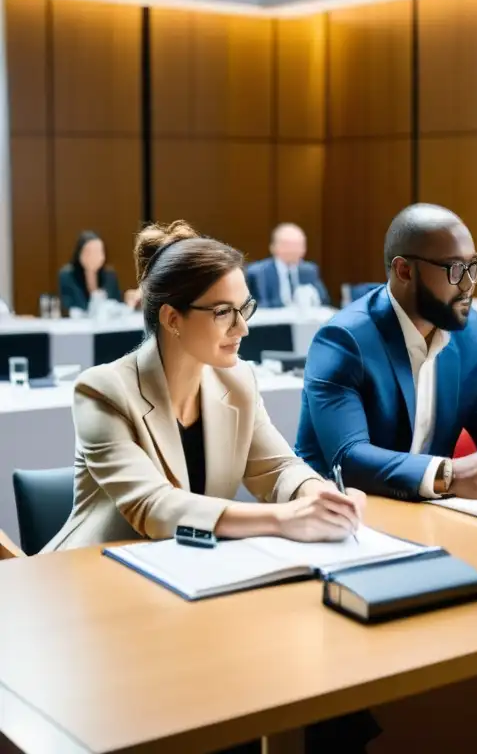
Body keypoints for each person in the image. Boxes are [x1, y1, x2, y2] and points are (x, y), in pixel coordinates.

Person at [45, 220, 366, 553]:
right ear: (172, 319)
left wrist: (319, 495)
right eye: (224, 311)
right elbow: (154, 507)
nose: (242, 328)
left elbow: (279, 467)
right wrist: (282, 518)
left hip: (184, 570)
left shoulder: (238, 380)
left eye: (245, 309)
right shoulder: (104, 391)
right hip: (92, 575)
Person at [295, 203, 477, 501]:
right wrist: (449, 475)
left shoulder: (470, 330)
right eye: (455, 269)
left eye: (473, 267)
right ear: (404, 271)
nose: (468, 284)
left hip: (431, 511)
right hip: (342, 512)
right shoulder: (344, 340)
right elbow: (348, 458)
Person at [246, 222, 331, 307]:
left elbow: (324, 301)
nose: (294, 250)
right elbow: (259, 305)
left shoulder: (309, 270)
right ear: (273, 247)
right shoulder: (258, 272)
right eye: (288, 245)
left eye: (299, 245)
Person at [58, 230, 140, 314]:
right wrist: (89, 273)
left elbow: (115, 304)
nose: (94, 256)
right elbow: (69, 307)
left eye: (98, 252)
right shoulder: (67, 275)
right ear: (79, 254)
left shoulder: (110, 275)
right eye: (89, 252)